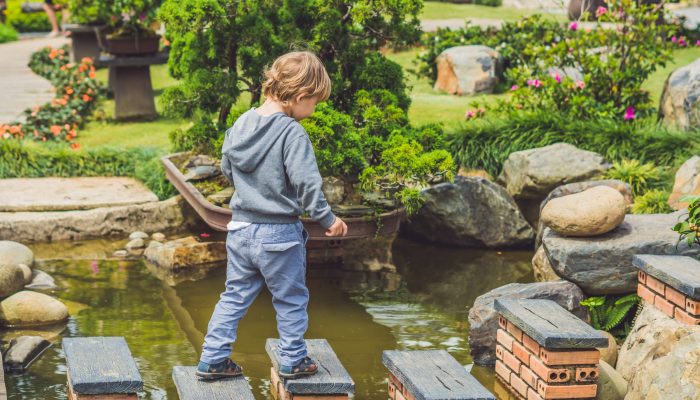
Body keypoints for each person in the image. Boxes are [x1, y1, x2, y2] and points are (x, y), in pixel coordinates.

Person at [195, 51, 348, 380]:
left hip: (240, 229)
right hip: (278, 234)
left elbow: (226, 167)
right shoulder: (291, 133)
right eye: (315, 103)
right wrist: (327, 219)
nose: (314, 109)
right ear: (301, 96)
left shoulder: (242, 123)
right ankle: (293, 359)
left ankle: (213, 358)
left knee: (234, 295)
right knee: (291, 298)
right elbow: (307, 184)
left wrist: (250, 193)